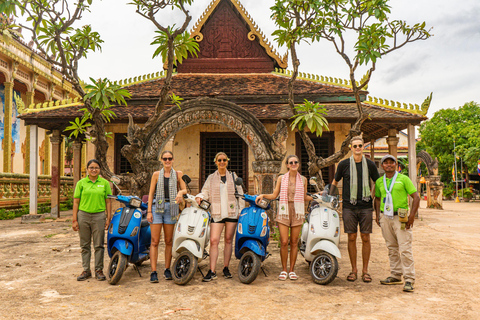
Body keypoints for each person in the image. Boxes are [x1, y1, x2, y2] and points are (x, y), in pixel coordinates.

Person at [256, 155, 312, 281]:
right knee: (284, 241)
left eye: (295, 162)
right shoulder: (281, 178)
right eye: (291, 162)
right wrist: (263, 195)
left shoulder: (303, 179)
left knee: (294, 241)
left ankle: (292, 270)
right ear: (287, 165)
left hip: (297, 211)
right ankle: (284, 270)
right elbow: (275, 194)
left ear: (298, 164)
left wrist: (316, 197)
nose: (293, 164)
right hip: (284, 210)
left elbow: (304, 197)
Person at [332, 136, 379, 282]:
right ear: (350, 148)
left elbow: (377, 183)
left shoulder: (370, 165)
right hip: (349, 207)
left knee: (365, 237)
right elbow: (335, 181)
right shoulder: (343, 164)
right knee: (351, 237)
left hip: (365, 207)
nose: (358, 148)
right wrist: (331, 198)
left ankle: (365, 271)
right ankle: (354, 270)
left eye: (360, 145)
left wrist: (371, 197)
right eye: (355, 146)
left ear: (363, 147)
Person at [196, 152, 244, 282]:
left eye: (224, 160)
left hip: (232, 213)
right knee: (214, 241)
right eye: (219, 160)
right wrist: (200, 196)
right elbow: (205, 191)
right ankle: (212, 271)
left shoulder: (233, 176)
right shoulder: (211, 178)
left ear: (227, 161)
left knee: (228, 240)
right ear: (215, 162)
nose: (222, 162)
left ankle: (226, 267)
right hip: (217, 213)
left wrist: (241, 211)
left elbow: (240, 194)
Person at [375, 154, 420, 292]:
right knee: (391, 248)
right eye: (386, 163)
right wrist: (377, 215)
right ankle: (395, 275)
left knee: (405, 248)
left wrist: (411, 216)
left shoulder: (403, 179)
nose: (389, 165)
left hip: (400, 218)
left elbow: (416, 197)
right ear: (382, 166)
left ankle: (409, 279)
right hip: (385, 218)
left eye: (391, 162)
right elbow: (377, 198)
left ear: (396, 165)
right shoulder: (379, 182)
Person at [147, 151, 187, 283]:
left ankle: (167, 269)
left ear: (173, 159)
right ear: (161, 160)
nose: (167, 161)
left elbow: (185, 189)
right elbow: (151, 193)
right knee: (154, 241)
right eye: (165, 159)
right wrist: (149, 211)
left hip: (171, 207)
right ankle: (153, 271)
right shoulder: (156, 175)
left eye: (170, 158)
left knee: (169, 240)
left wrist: (180, 192)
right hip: (157, 208)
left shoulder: (178, 174)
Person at [72, 159, 112, 281]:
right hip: (83, 215)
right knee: (85, 245)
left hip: (99, 216)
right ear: (87, 169)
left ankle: (99, 270)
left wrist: (108, 217)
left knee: (99, 244)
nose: (94, 170)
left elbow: (108, 201)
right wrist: (74, 219)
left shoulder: (104, 183)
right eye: (91, 167)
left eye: (96, 168)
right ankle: (86, 270)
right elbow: (76, 201)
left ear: (100, 170)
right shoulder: (81, 183)